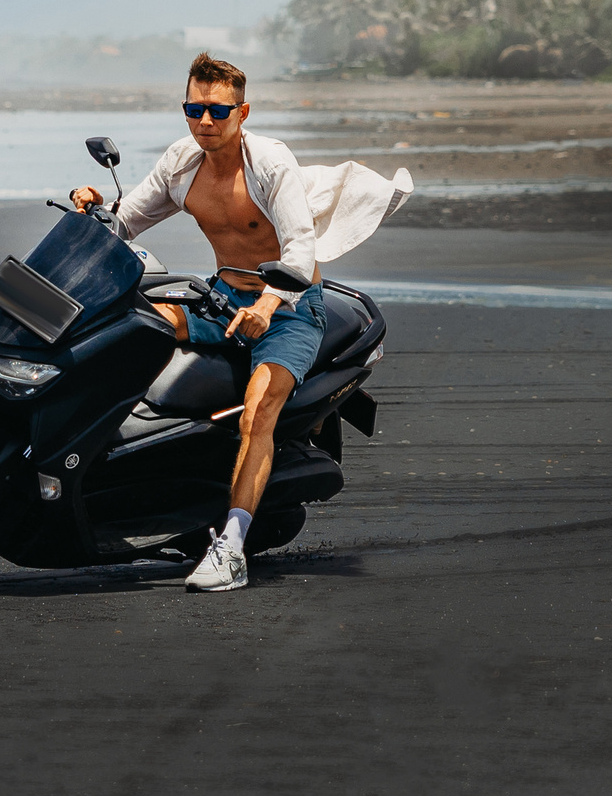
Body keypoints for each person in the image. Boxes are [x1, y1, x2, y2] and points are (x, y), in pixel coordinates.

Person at [71, 53, 411, 592]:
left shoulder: (270, 163)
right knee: (141, 324)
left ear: (242, 111)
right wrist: (96, 210)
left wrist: (269, 304)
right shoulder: (181, 163)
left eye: (217, 111)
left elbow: (300, 249)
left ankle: (231, 548)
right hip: (224, 296)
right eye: (193, 109)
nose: (204, 121)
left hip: (291, 308)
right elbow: (128, 219)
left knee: (258, 414)